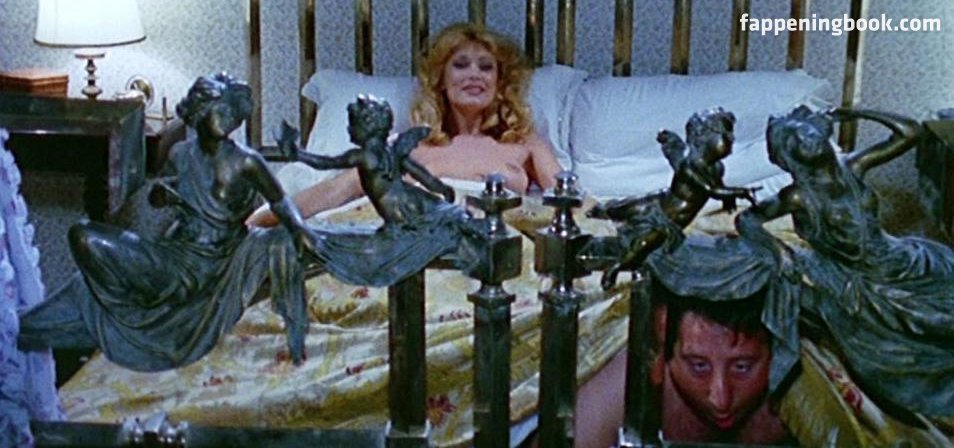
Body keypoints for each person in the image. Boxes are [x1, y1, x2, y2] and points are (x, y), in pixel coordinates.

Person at [18, 73, 318, 371]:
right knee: (83, 236)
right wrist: (163, 194)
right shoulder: (180, 153)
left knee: (93, 255)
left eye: (233, 112)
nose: (229, 119)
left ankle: (124, 320)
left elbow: (280, 200)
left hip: (209, 266)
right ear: (200, 110)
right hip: (173, 251)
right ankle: (121, 314)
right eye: (221, 110)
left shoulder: (247, 161)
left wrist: (299, 229)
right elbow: (157, 197)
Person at [736, 106, 954, 418]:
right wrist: (778, 250)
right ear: (789, 153)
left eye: (809, 130)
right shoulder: (798, 196)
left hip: (902, 259)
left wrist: (852, 112)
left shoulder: (853, 166)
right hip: (866, 278)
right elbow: (746, 220)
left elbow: (910, 132)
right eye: (796, 138)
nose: (807, 138)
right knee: (936, 323)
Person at [246, 22, 563, 227]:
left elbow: (568, 202)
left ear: (499, 81)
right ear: (441, 80)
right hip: (416, 252)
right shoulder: (406, 146)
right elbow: (334, 192)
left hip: (494, 254)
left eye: (486, 67)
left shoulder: (523, 141)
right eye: (460, 65)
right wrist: (258, 221)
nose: (474, 75)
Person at [655, 288, 791, 444]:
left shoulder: (801, 398)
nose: (720, 401)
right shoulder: (638, 400)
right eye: (699, 366)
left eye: (741, 367)